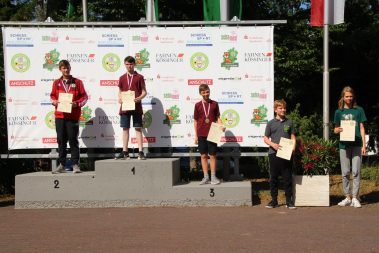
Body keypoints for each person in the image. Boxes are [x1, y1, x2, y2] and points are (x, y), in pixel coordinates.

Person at [50, 60, 88, 174]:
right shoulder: (56, 83)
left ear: (70, 68)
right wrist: (54, 102)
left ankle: (75, 164)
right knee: (61, 141)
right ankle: (62, 164)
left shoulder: (78, 82)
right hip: (60, 116)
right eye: (63, 68)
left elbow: (84, 97)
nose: (66, 70)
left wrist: (77, 103)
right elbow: (52, 96)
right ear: (60, 69)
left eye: (67, 68)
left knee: (73, 140)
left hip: (72, 116)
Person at [334, 86, 367, 208]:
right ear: (343, 97)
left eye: (351, 96)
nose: (349, 98)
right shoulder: (338, 112)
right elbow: (336, 129)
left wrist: (364, 144)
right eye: (347, 96)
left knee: (356, 171)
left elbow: (362, 127)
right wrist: (337, 130)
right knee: (345, 172)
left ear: (353, 97)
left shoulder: (359, 110)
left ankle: (355, 197)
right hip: (344, 145)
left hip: (357, 144)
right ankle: (347, 196)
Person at [263, 99, 296, 209]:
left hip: (286, 154)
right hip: (273, 154)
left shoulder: (289, 122)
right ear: (275, 110)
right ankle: (274, 201)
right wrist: (273, 145)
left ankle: (289, 201)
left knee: (287, 178)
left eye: (284, 108)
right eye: (280, 108)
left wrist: (293, 146)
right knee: (274, 178)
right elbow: (265, 138)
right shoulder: (270, 123)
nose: (283, 110)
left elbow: (293, 137)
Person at [116, 56, 147, 160]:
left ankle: (141, 151)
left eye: (131, 64)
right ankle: (125, 151)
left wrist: (139, 98)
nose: (129, 66)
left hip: (136, 106)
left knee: (138, 128)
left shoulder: (139, 77)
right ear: (125, 64)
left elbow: (144, 92)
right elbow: (120, 92)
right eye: (127, 64)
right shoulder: (122, 78)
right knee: (125, 129)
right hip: (125, 107)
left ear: (134, 64)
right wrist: (120, 98)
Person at [194, 84, 225, 185]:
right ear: (200, 93)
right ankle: (205, 177)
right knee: (203, 155)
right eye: (203, 92)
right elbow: (195, 121)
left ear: (209, 91)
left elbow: (218, 118)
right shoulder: (197, 105)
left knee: (212, 155)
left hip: (213, 132)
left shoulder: (215, 104)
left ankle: (213, 177)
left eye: (207, 91)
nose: (205, 94)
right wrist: (195, 135)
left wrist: (221, 126)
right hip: (201, 133)